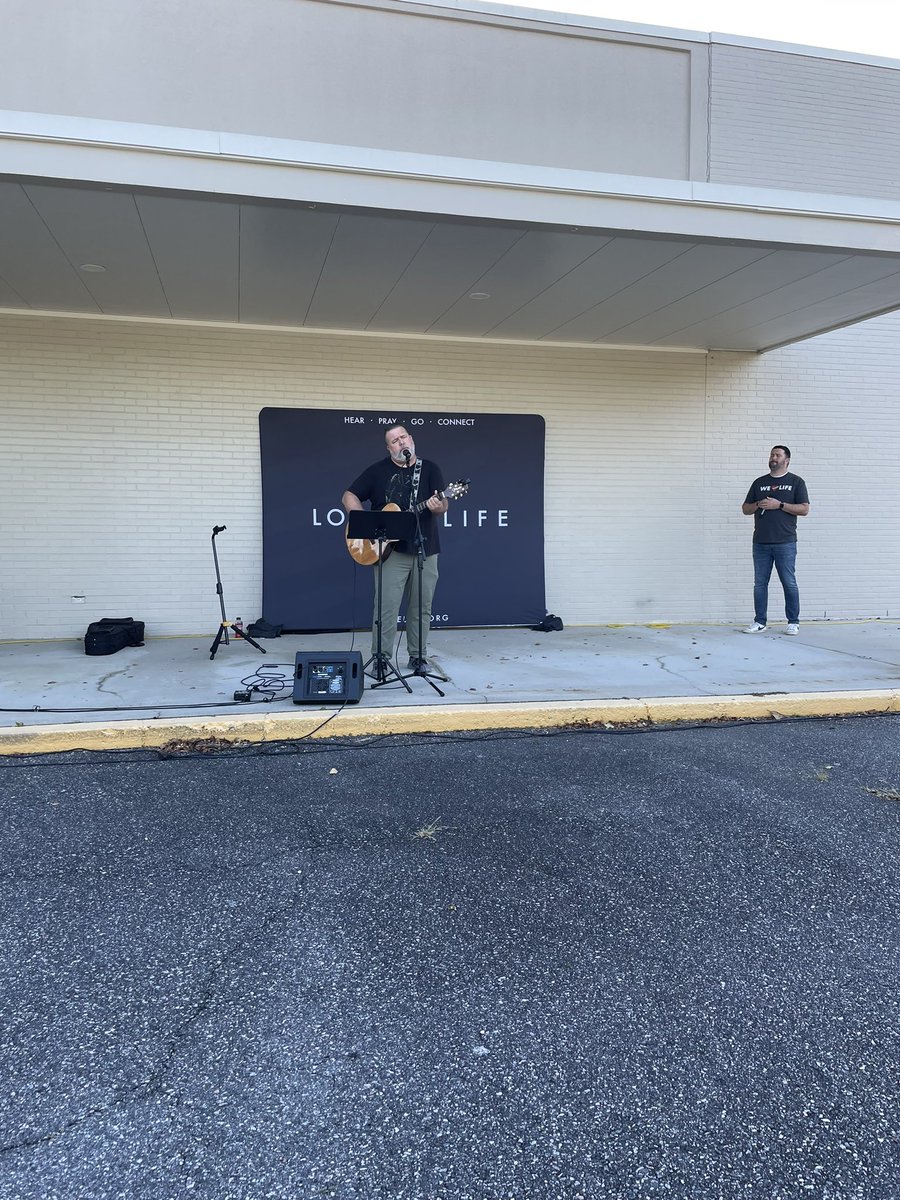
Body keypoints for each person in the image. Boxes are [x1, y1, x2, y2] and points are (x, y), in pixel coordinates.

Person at [342, 425, 448, 669]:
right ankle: (381, 657)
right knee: (386, 608)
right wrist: (364, 522)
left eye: (403, 438)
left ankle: (417, 656)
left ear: (411, 439)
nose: (401, 443)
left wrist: (436, 506)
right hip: (389, 552)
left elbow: (442, 506)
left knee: (421, 607)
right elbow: (349, 495)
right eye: (394, 441)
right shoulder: (378, 471)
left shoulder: (430, 468)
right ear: (389, 448)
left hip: (425, 548)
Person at [741, 444, 810, 635]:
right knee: (760, 584)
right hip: (760, 542)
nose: (773, 457)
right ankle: (760, 621)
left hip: (785, 542)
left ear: (786, 460)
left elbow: (804, 509)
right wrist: (758, 504)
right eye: (772, 454)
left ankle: (793, 622)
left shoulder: (796, 482)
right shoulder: (759, 482)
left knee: (789, 582)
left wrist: (778, 505)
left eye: (777, 455)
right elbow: (745, 509)